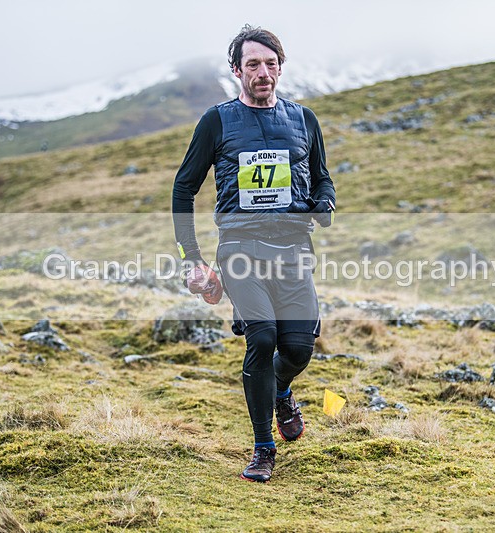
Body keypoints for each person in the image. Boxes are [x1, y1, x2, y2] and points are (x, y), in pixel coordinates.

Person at [172, 24, 336, 483]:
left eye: (270, 63)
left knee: (298, 349)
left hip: (293, 249)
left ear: (280, 67)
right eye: (252, 65)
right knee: (262, 339)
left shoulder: (304, 120)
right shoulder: (217, 122)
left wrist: (325, 202)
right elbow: (183, 189)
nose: (262, 72)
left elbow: (323, 178)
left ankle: (280, 389)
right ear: (236, 71)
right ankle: (264, 447)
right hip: (240, 250)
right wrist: (192, 259)